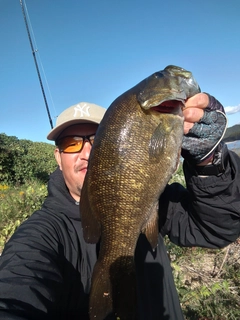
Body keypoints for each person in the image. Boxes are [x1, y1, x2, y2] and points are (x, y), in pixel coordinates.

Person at [0, 94, 239, 320]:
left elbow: (217, 229)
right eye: (71, 143)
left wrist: (210, 162)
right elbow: (18, 284)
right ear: (57, 157)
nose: (86, 153)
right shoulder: (45, 232)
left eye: (97, 139)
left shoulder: (151, 197)